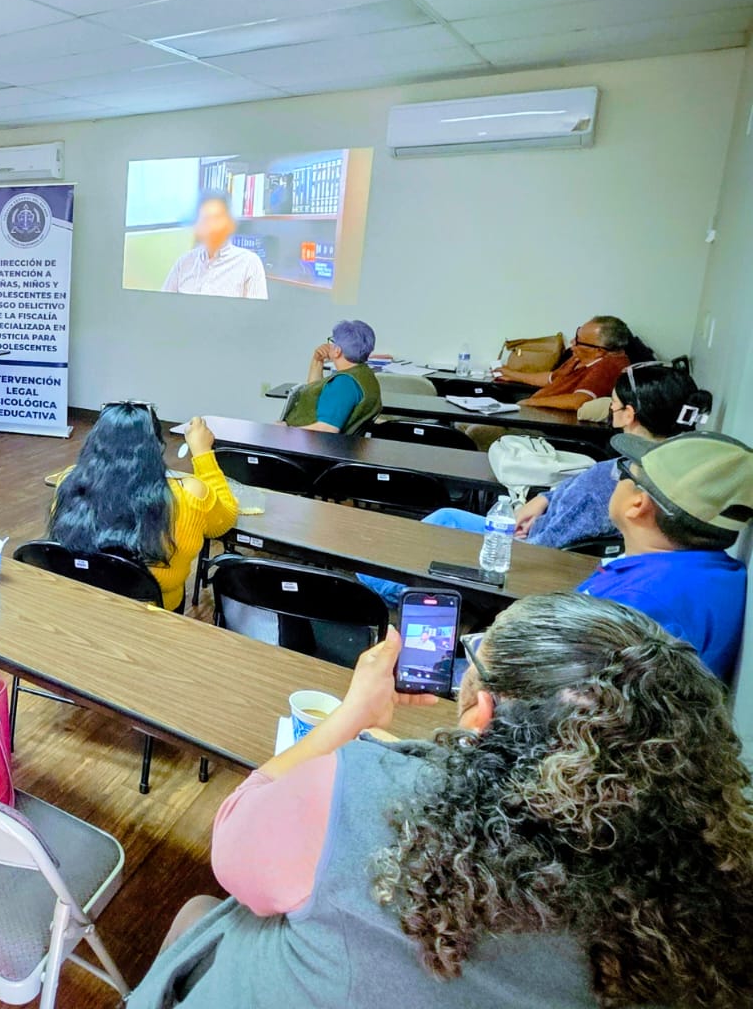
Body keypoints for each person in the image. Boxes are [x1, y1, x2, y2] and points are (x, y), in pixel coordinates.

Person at [132, 594, 753, 1009]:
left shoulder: (363, 792)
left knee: (199, 911)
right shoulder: (700, 904)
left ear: (482, 713)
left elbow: (233, 838)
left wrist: (354, 717)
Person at [423, 361, 712, 547]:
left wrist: (523, 538)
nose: (610, 409)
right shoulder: (655, 462)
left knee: (438, 527)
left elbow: (547, 548)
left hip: (525, 547)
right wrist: (543, 500)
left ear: (629, 414)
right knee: (447, 517)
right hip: (539, 522)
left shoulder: (607, 490)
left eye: (612, 403)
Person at [576, 429, 753, 680]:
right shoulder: (716, 573)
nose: (617, 480)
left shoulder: (636, 606)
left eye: (624, 472)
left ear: (638, 504)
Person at [48, 403, 238, 611]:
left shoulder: (68, 481)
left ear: (94, 441)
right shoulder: (190, 493)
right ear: (158, 446)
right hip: (153, 612)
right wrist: (202, 452)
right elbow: (225, 521)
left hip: (82, 602)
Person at [497, 316, 648, 409]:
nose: (572, 343)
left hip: (547, 425)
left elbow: (579, 401)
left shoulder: (608, 367)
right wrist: (511, 374)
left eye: (578, 341)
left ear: (599, 351)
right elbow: (552, 378)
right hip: (531, 412)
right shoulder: (580, 357)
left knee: (484, 430)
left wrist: (530, 403)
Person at [281, 320, 381, 434]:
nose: (329, 345)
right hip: (340, 442)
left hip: (312, 442)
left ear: (337, 351)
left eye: (332, 341)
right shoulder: (364, 373)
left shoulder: (343, 384)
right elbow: (314, 391)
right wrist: (317, 361)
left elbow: (327, 429)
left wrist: (286, 431)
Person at [160, 195, 268, 298]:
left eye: (216, 219)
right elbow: (162, 305)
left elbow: (257, 310)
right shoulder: (183, 262)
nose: (211, 226)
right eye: (205, 219)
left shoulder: (249, 263)